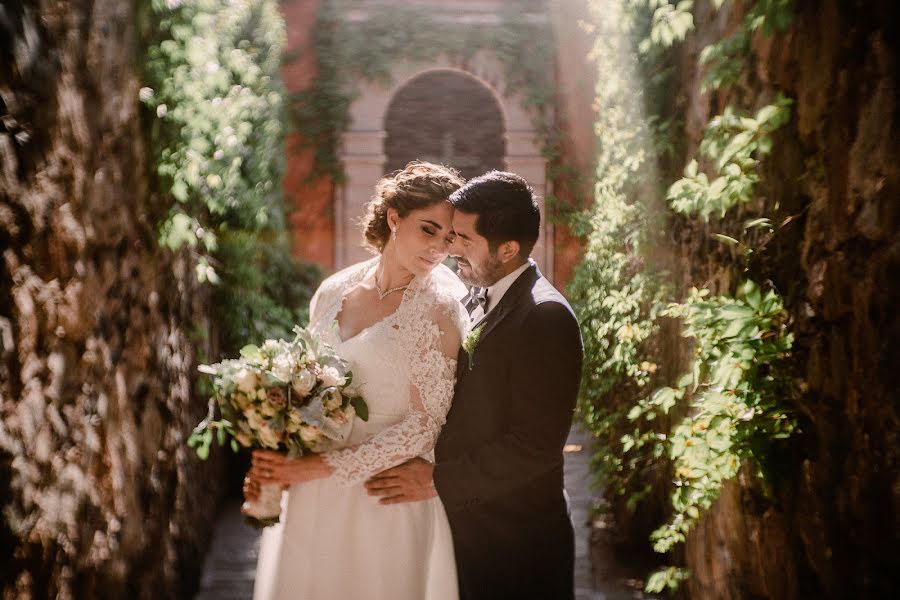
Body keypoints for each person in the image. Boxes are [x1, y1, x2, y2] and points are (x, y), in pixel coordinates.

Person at [244, 161, 467, 600]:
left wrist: (320, 468)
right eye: (428, 230)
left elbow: (426, 425)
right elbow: (302, 387)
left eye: (449, 238)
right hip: (312, 497)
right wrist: (277, 464)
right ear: (394, 217)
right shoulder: (332, 291)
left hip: (384, 496)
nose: (439, 248)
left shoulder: (440, 309)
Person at [365, 171, 584, 599]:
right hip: (469, 534)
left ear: (507, 249)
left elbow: (534, 446)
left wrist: (435, 480)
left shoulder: (545, 317)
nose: (451, 249)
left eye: (464, 239)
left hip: (515, 544)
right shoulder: (477, 294)